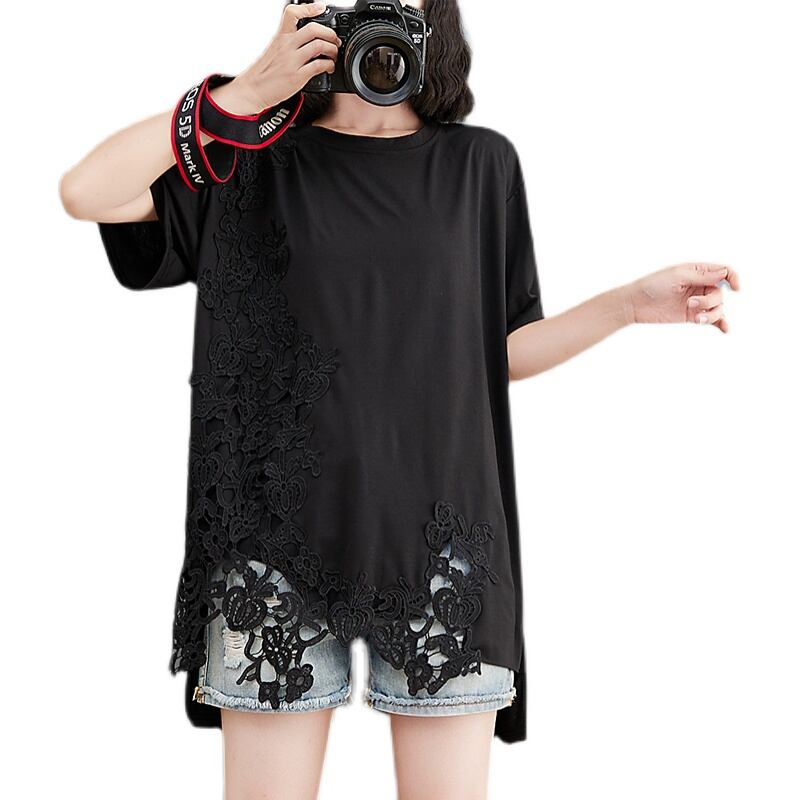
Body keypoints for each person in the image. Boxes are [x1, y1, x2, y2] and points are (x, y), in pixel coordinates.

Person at [59, 1, 740, 798]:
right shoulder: (247, 159)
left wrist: (626, 306)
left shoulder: (480, 164)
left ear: (433, 19)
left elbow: (496, 351)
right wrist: (242, 97)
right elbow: (85, 191)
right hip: (270, 546)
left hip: (442, 546)